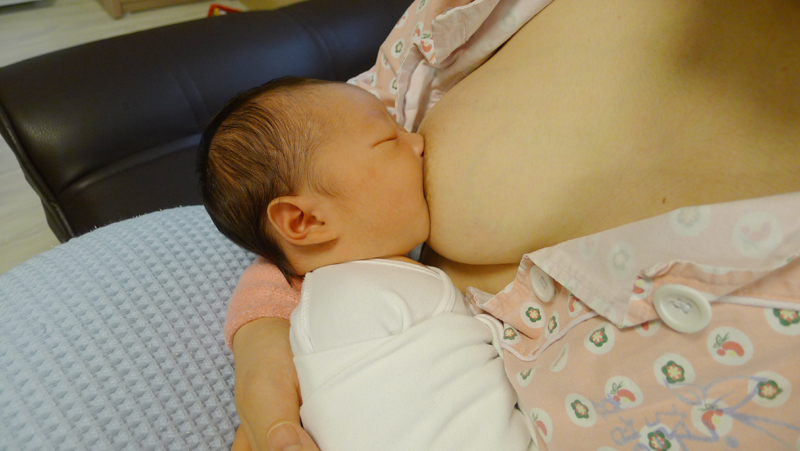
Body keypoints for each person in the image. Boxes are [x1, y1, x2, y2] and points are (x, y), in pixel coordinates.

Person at [226, 0, 800, 450]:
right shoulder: (426, 42)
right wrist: (264, 334)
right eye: (389, 139)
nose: (416, 141)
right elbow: (294, 170)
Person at [197, 76, 536, 450]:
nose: (419, 142)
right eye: (389, 139)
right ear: (306, 221)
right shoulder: (374, 293)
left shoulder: (321, 308)